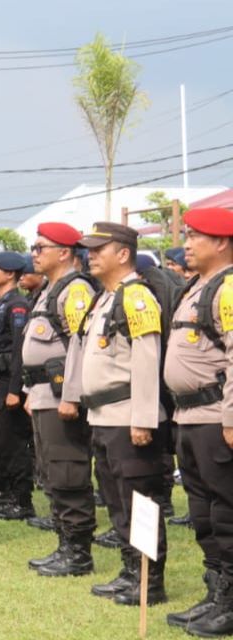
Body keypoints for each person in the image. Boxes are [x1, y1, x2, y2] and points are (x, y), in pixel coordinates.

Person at [63, 221, 169, 606]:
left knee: (139, 500)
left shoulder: (136, 298)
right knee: (116, 499)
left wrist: (143, 418)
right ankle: (129, 571)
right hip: (104, 417)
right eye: (89, 249)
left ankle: (148, 581)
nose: (90, 255)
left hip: (127, 418)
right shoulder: (103, 299)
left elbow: (146, 359)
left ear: (123, 254)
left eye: (99, 249)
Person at [161, 207, 233, 634]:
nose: (187, 243)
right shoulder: (195, 287)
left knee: (226, 511)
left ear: (222, 242)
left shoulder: (228, 288)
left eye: (196, 236)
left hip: (214, 418)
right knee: (203, 513)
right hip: (187, 417)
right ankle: (215, 592)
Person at [21, 222, 99, 578]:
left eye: (41, 247)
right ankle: (64, 543)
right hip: (42, 394)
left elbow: (81, 347)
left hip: (60, 397)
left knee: (67, 470)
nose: (34, 254)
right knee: (51, 470)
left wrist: (71, 395)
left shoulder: (76, 289)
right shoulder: (50, 288)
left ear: (64, 252)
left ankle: (78, 551)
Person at [0, 251, 36, 521]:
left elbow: (19, 350)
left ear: (10, 274)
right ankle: (5, 493)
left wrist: (15, 390)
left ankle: (22, 499)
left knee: (13, 443)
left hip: (8, 382)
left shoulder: (18, 305)